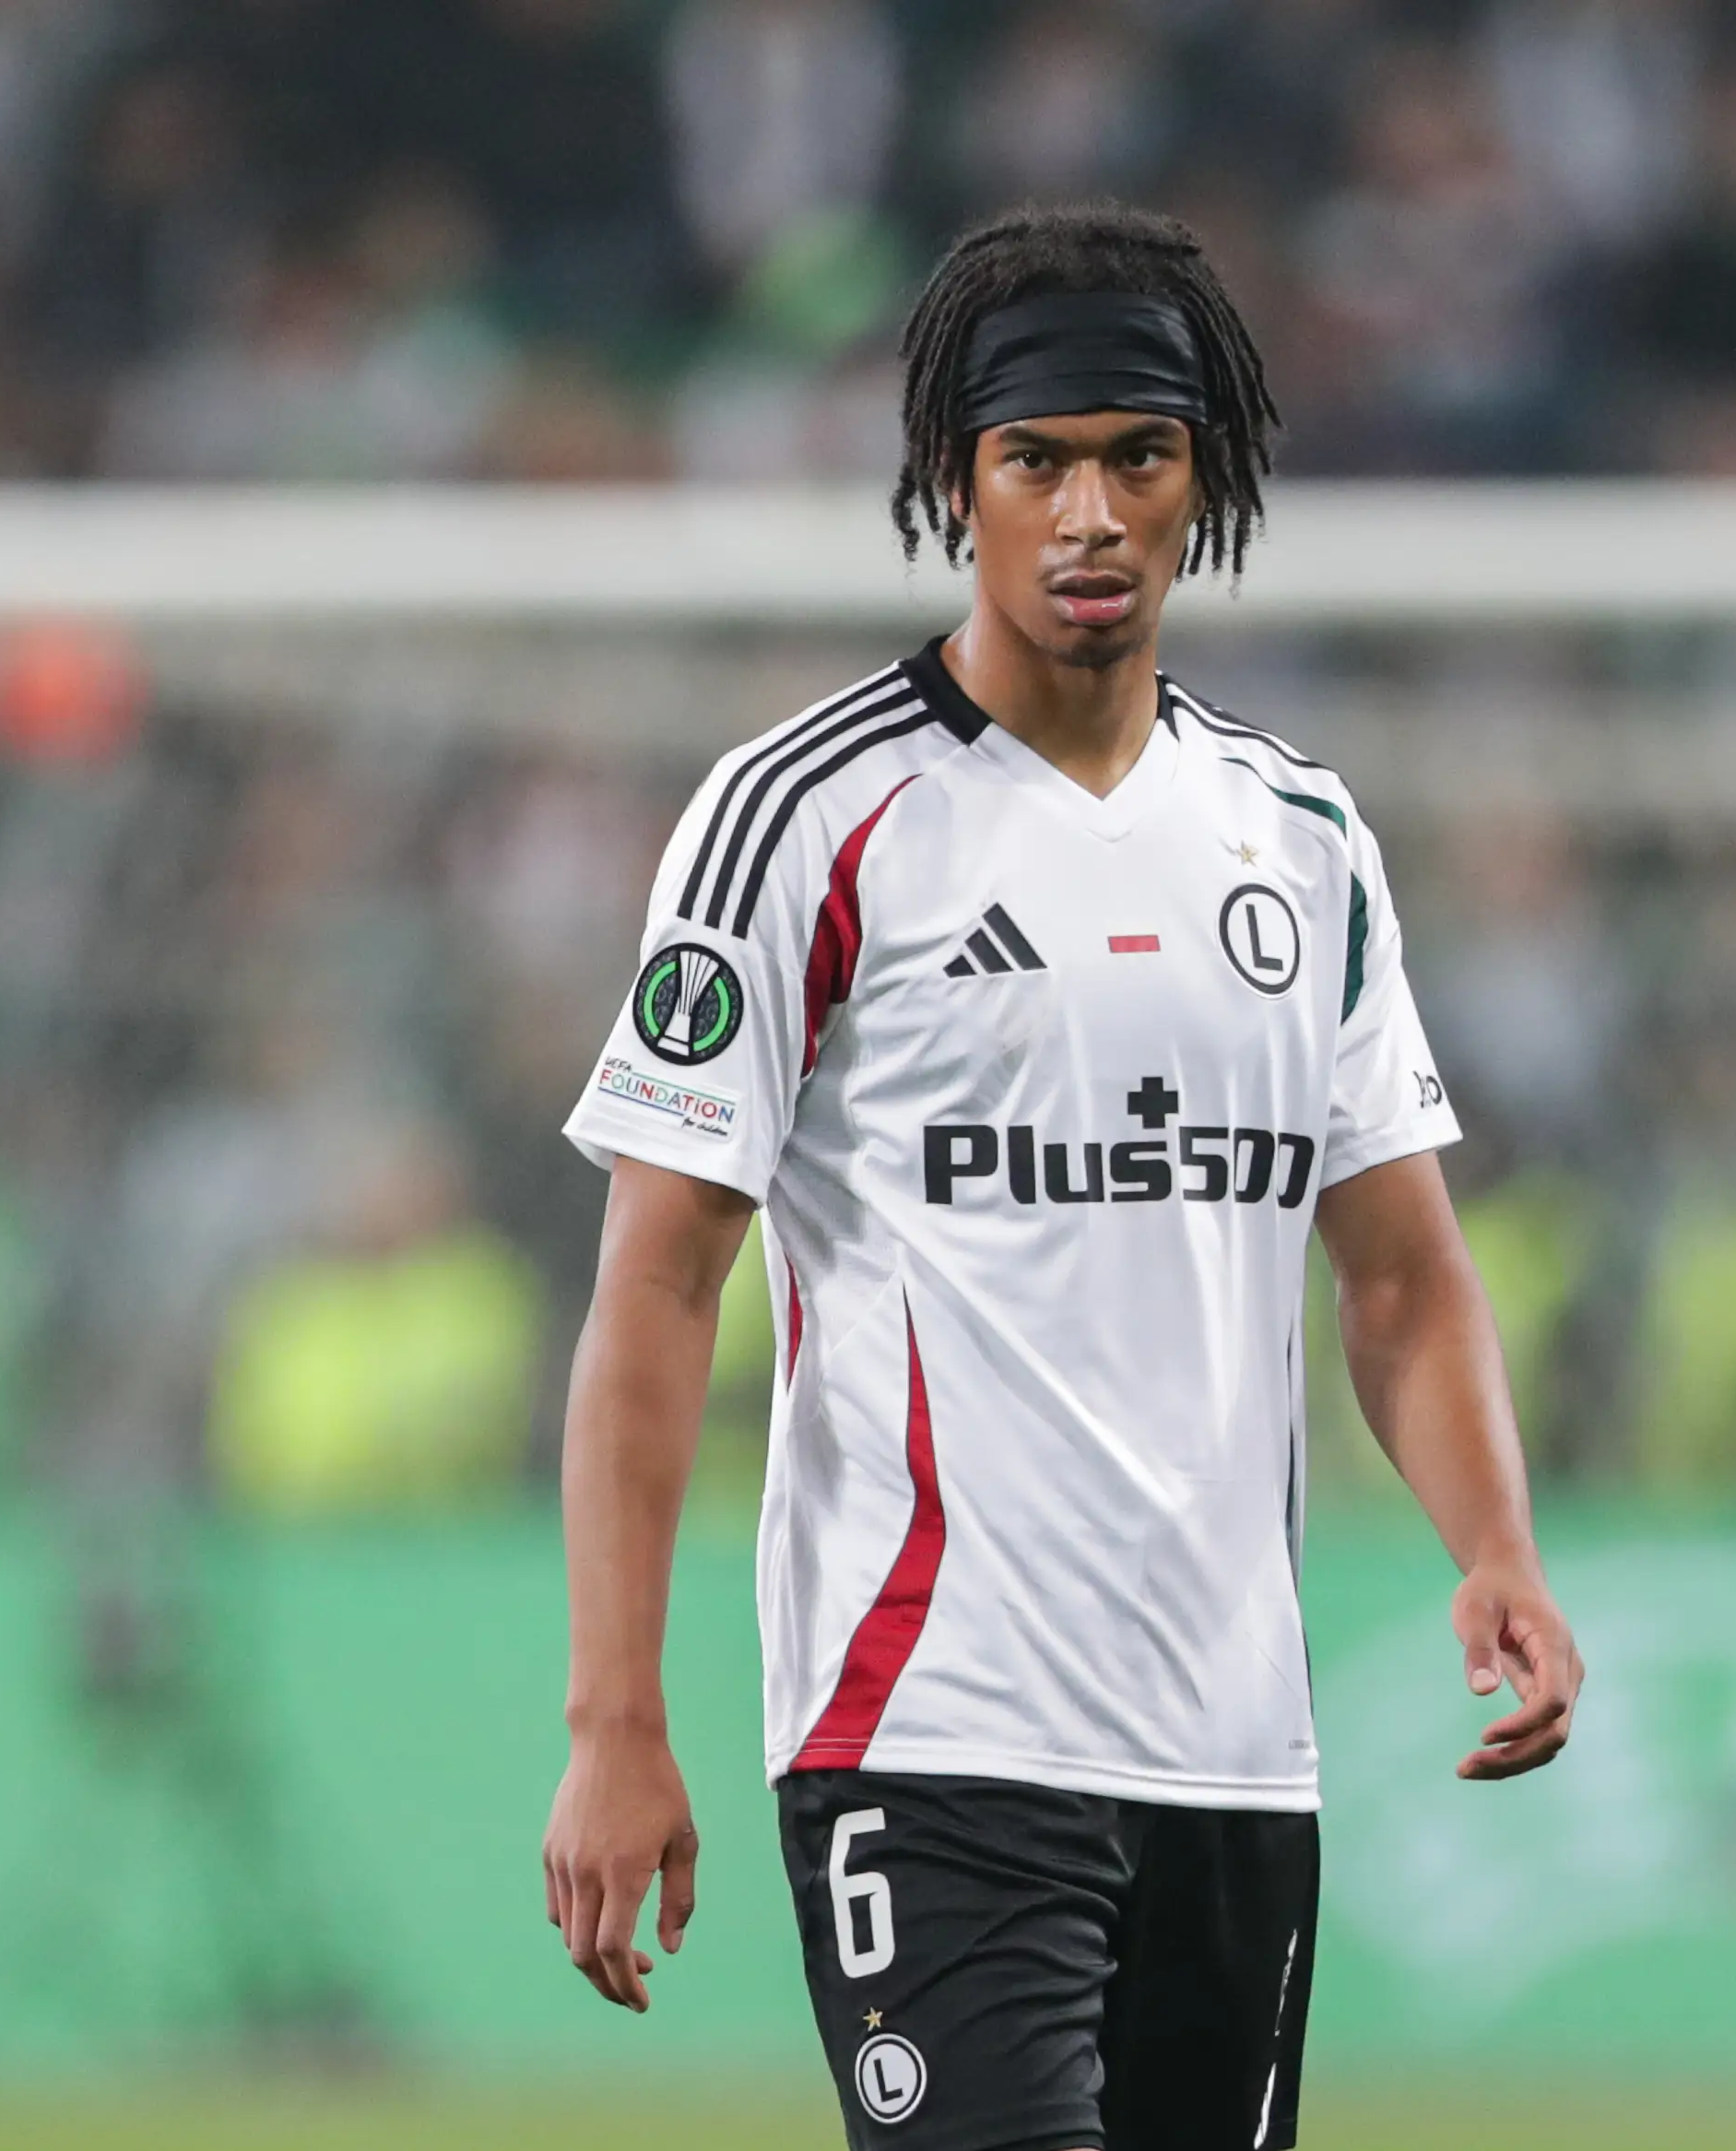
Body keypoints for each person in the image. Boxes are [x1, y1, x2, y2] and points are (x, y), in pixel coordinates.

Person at [540, 201, 1582, 2151]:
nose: (1090, 512)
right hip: (929, 1725)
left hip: (1234, 1747)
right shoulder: (807, 819)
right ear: (956, 482)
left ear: (1209, 479)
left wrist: (1493, 1543)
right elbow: (660, 1285)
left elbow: (1400, 1274)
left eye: (1139, 455)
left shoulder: (1300, 838)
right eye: (1037, 459)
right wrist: (616, 1710)